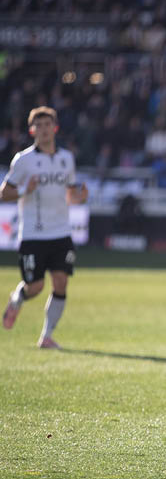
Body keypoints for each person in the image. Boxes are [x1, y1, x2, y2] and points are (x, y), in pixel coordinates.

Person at [1, 106, 88, 349]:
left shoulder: (66, 158)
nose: (44, 129)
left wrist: (79, 197)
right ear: (32, 131)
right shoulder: (24, 160)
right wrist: (23, 191)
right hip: (32, 234)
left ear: (55, 128)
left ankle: (46, 336)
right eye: (38, 125)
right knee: (36, 286)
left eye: (48, 124)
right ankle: (18, 298)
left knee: (61, 282)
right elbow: (4, 193)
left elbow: (70, 194)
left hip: (61, 232)